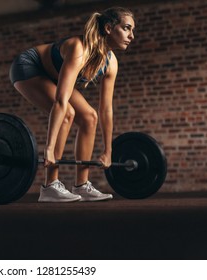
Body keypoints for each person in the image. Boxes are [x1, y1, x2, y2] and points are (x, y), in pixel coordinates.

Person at [9, 7, 135, 202]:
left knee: (89, 117)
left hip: (52, 75)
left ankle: (82, 185)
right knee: (67, 111)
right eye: (127, 28)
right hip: (29, 67)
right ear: (109, 28)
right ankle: (50, 186)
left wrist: (108, 152)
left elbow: (106, 110)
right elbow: (60, 101)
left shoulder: (111, 63)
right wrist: (49, 148)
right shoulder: (79, 49)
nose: (131, 36)